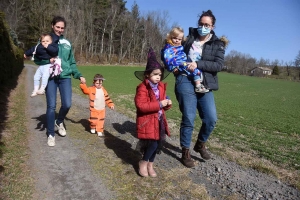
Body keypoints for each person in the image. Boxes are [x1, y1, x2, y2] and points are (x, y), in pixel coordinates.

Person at [175, 10, 229, 167]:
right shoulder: (188, 38)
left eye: (207, 25)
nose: (203, 27)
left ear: (212, 26)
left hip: (205, 83)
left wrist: (198, 64)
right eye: (201, 24)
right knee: (188, 117)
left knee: (211, 119)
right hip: (185, 80)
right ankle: (185, 151)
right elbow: (173, 51)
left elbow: (218, 65)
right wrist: (172, 67)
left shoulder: (217, 44)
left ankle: (200, 144)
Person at [34, 16, 86, 147]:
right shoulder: (46, 41)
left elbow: (72, 62)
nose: (60, 30)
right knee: (51, 106)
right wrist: (48, 61)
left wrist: (78, 75)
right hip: (50, 77)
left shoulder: (67, 43)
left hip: (65, 77)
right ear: (52, 26)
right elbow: (37, 59)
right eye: (58, 27)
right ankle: (51, 134)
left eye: (62, 28)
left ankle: (59, 121)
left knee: (67, 104)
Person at [134, 47, 172, 177]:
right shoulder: (142, 88)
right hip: (148, 121)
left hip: (159, 120)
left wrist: (166, 104)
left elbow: (162, 104)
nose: (158, 77)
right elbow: (141, 106)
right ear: (147, 75)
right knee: (153, 144)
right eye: (155, 74)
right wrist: (159, 104)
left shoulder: (161, 86)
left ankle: (151, 163)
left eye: (160, 74)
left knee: (158, 144)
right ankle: (143, 162)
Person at [162, 27, 208, 93]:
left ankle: (198, 84)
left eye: (179, 39)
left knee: (194, 69)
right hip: (178, 64)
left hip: (183, 62)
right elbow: (168, 59)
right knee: (193, 69)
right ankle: (198, 85)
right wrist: (173, 67)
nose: (177, 40)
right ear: (170, 37)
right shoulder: (169, 48)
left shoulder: (180, 46)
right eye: (175, 38)